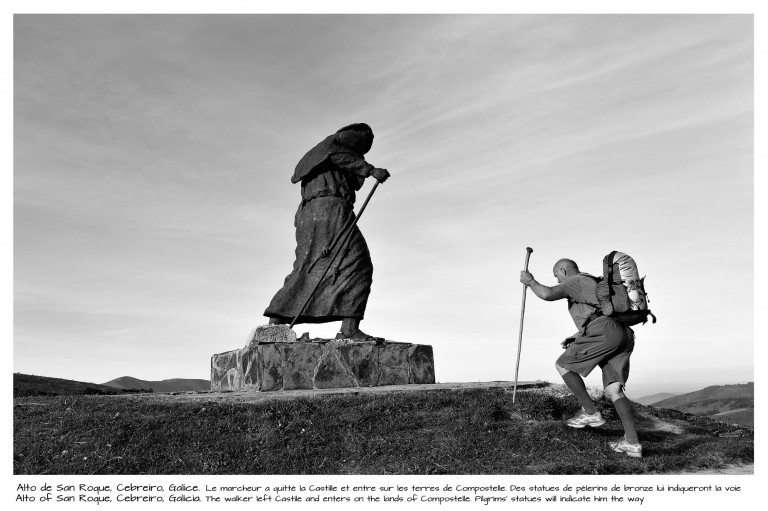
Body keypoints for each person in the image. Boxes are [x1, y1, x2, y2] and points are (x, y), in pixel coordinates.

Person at [264, 123, 390, 340]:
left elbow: (344, 168)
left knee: (309, 265)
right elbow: (339, 156)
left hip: (312, 213)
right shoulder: (333, 149)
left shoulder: (321, 155)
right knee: (357, 263)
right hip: (330, 210)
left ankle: (274, 324)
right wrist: (369, 170)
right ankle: (349, 329)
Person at [520, 258, 642, 458]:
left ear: (563, 270)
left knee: (562, 366)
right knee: (614, 389)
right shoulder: (591, 281)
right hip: (623, 334)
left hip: (605, 331)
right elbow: (598, 314)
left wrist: (530, 281)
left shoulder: (574, 280)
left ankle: (591, 412)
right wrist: (577, 337)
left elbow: (547, 294)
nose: (558, 280)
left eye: (557, 276)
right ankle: (632, 443)